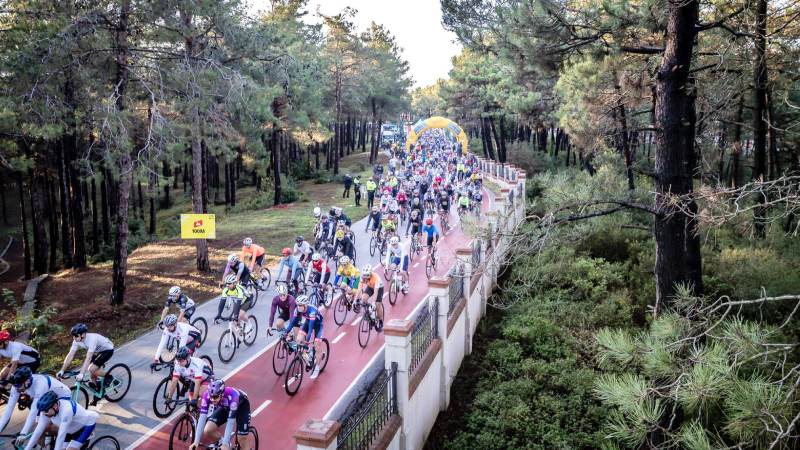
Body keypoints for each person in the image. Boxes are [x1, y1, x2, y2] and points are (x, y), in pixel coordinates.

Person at [0, 367, 71, 444]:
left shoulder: (40, 384)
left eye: (19, 385)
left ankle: (68, 437)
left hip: (62, 396)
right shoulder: (17, 385)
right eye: (15, 386)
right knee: (39, 434)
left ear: (27, 381)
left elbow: (33, 411)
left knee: (47, 427)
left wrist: (23, 433)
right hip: (45, 398)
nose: (17, 388)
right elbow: (8, 410)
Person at [22, 391, 99, 450]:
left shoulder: (66, 411)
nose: (44, 414)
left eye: (46, 411)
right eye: (42, 411)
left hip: (85, 426)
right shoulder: (49, 409)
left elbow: (61, 435)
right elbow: (39, 429)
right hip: (70, 429)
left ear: (55, 406)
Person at [190, 380, 253, 450]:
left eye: (215, 397)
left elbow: (230, 422)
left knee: (241, 438)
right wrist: (196, 442)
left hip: (241, 407)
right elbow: (202, 418)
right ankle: (222, 443)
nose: (212, 400)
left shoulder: (233, 397)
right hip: (226, 406)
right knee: (208, 429)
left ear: (222, 394)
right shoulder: (206, 395)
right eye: (211, 397)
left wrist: (225, 444)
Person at [57, 324, 113, 395]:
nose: (74, 338)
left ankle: (109, 376)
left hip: (107, 350)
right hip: (97, 351)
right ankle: (98, 390)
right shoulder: (76, 341)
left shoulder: (92, 339)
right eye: (73, 336)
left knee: (91, 369)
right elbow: (70, 355)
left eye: (76, 336)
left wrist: (81, 373)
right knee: (92, 376)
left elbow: (88, 358)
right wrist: (62, 370)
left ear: (83, 334)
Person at [281, 295, 324, 379]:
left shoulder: (312, 311)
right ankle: (308, 355)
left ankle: (317, 368)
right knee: (298, 339)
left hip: (318, 325)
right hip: (308, 322)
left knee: (316, 345)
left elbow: (310, 330)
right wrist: (286, 333)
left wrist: (306, 344)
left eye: (300, 305)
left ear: (306, 305)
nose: (299, 307)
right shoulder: (297, 309)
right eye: (298, 305)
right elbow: (292, 323)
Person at [215, 275, 250, 341]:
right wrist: (219, 314)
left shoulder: (239, 290)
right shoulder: (226, 290)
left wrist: (236, 317)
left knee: (240, 315)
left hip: (247, 300)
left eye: (229, 283)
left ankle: (249, 324)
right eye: (227, 283)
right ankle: (240, 333)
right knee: (235, 321)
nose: (227, 285)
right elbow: (222, 302)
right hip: (237, 301)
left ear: (234, 283)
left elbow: (238, 304)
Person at [358, 265, 384, 330]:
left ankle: (380, 320)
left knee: (377, 305)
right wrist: (355, 300)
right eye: (364, 275)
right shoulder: (362, 277)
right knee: (363, 298)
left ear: (370, 274)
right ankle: (369, 311)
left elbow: (375, 292)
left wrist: (373, 303)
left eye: (367, 276)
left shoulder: (376, 278)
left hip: (378, 288)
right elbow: (359, 289)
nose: (365, 278)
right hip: (370, 287)